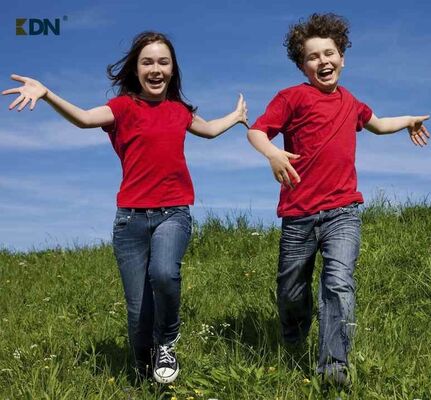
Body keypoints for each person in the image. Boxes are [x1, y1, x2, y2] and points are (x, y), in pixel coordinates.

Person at [3, 31, 248, 384]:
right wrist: (47, 93)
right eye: (147, 62)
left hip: (173, 213)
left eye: (163, 62)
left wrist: (236, 116)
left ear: (172, 69)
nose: (155, 69)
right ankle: (144, 374)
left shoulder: (179, 111)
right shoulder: (122, 108)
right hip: (130, 221)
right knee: (138, 313)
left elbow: (208, 129)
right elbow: (84, 118)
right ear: (135, 69)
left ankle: (167, 342)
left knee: (164, 274)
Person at [247, 13, 430, 386]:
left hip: (343, 211)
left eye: (329, 53)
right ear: (302, 65)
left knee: (339, 282)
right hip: (298, 214)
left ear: (342, 58)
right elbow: (257, 131)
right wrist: (273, 153)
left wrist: (409, 119)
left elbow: (379, 124)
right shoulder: (292, 97)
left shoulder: (351, 102)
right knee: (291, 291)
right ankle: (294, 337)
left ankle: (333, 368)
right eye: (312, 56)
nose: (323, 61)